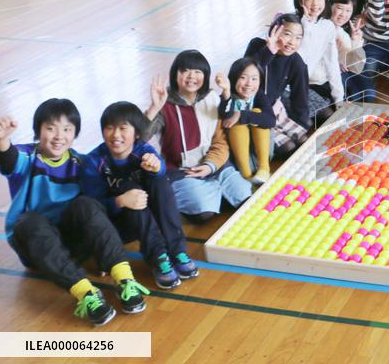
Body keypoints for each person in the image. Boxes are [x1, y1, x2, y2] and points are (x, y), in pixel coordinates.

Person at [0, 99, 149, 326]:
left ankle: (125, 279)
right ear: (38, 131)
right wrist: (1, 140)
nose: (59, 136)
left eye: (67, 129)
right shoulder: (27, 157)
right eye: (51, 128)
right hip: (36, 245)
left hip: (73, 240)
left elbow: (100, 206)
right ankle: (87, 293)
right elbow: (8, 160)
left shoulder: (81, 162)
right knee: (29, 222)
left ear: (75, 133)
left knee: (86, 204)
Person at [84, 101, 198, 290]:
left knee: (160, 180)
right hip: (115, 224)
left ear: (136, 134)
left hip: (146, 217)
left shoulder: (143, 151)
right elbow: (93, 207)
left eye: (123, 128)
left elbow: (160, 172)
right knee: (128, 188)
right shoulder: (94, 161)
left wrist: (157, 168)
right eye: (109, 128)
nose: (116, 135)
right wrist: (120, 201)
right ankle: (157, 256)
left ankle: (176, 249)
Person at [144, 50, 252, 222]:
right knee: (203, 213)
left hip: (215, 166)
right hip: (181, 171)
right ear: (175, 74)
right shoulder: (165, 104)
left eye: (197, 72)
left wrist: (210, 166)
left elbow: (220, 142)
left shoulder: (211, 99)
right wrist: (154, 108)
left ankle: (214, 192)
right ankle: (211, 196)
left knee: (245, 196)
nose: (191, 76)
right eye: (185, 71)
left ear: (205, 75)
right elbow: (141, 136)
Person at [245, 14, 312, 151]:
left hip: (274, 111)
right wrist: (269, 52)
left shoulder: (296, 62)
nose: (292, 42)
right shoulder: (257, 45)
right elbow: (245, 75)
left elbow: (300, 98)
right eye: (287, 34)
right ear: (274, 31)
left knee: (304, 139)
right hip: (250, 110)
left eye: (298, 38)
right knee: (288, 146)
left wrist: (301, 127)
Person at [214, 58, 273, 183]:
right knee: (236, 123)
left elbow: (270, 120)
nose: (248, 84)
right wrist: (226, 92)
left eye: (254, 79)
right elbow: (225, 114)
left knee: (257, 112)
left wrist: (241, 115)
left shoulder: (259, 96)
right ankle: (246, 176)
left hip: (260, 152)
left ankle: (264, 169)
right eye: (243, 77)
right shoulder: (226, 98)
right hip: (238, 155)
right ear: (234, 78)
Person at [293, 0, 343, 120]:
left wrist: (339, 99)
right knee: (325, 116)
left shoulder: (327, 26)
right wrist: (306, 26)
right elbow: (300, 61)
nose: (315, 3)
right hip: (290, 85)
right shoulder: (293, 25)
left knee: (333, 113)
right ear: (299, 2)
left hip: (307, 84)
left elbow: (331, 63)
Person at [326, 0, 367, 102]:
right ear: (330, 6)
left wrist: (356, 41)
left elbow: (356, 67)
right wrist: (335, 62)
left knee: (368, 95)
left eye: (348, 10)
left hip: (343, 73)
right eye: (339, 8)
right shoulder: (322, 27)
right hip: (325, 77)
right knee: (354, 98)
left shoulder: (343, 34)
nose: (343, 14)